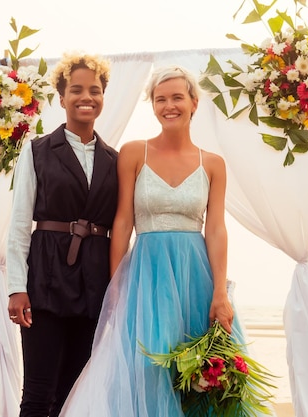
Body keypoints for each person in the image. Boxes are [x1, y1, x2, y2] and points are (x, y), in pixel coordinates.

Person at [59, 66, 252, 417]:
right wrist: (117, 285)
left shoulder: (213, 164)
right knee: (149, 369)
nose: (169, 106)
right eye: (160, 99)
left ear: (194, 103)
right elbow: (122, 222)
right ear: (152, 105)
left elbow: (216, 229)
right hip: (146, 278)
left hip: (196, 276)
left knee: (203, 378)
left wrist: (220, 292)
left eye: (177, 97)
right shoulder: (134, 153)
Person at [6, 51, 119, 417]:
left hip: (94, 285)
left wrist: (117, 290)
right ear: (62, 97)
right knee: (39, 393)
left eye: (95, 90)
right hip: (46, 279)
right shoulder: (37, 150)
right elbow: (20, 223)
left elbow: (121, 227)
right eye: (77, 90)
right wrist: (16, 286)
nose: (86, 97)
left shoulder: (115, 159)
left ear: (103, 96)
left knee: (76, 393)